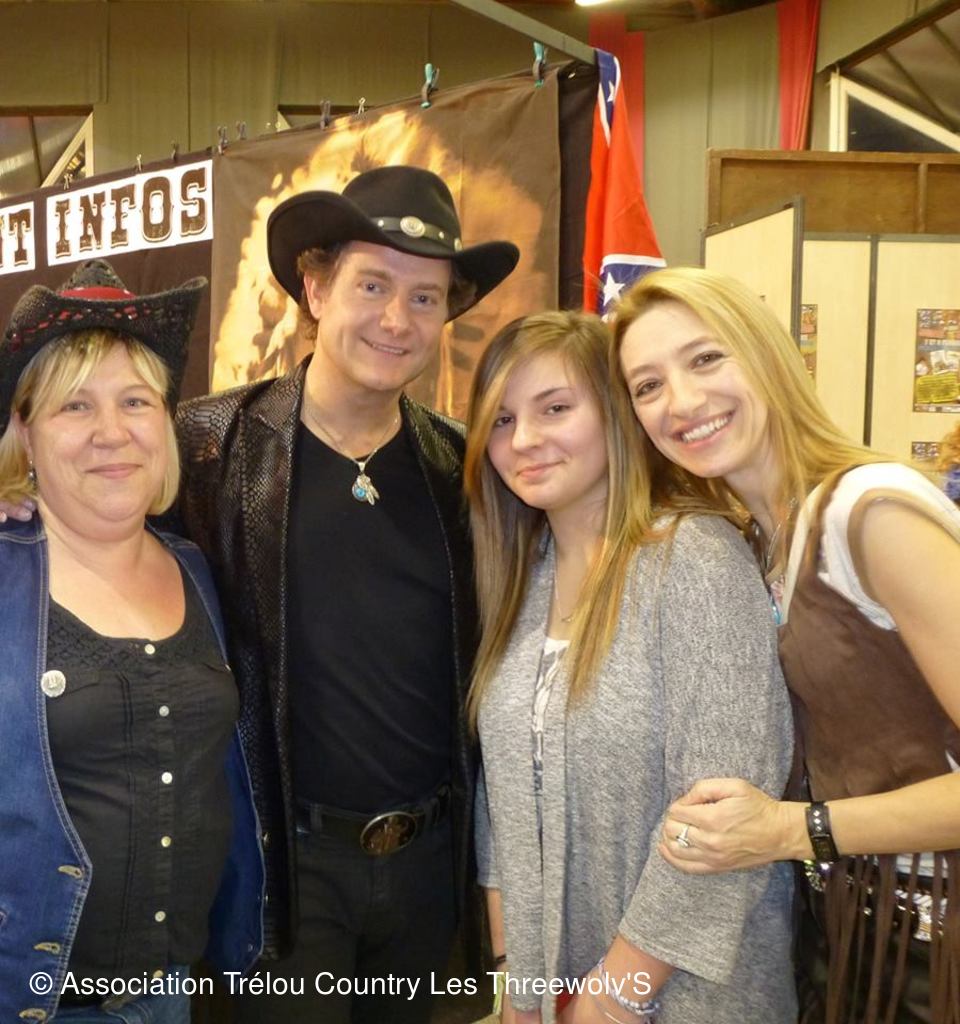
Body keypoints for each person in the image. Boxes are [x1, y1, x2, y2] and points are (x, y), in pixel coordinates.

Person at [173, 166, 519, 1023]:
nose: (397, 319)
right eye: (373, 285)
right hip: (282, 875)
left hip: (428, 871)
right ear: (317, 288)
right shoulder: (210, 448)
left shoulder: (466, 470)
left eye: (425, 297)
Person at [613, 266, 960, 1024]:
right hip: (845, 933)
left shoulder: (869, 511)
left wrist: (791, 829)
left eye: (707, 358)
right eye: (648, 385)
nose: (683, 401)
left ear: (768, 354)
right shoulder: (760, 536)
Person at [463, 310, 796, 1024]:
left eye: (556, 408)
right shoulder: (525, 576)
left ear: (616, 415)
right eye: (502, 420)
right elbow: (505, 805)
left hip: (688, 1000)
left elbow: (719, 817)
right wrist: (514, 981)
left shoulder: (693, 559)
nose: (524, 440)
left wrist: (611, 1000)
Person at [0, 260, 263, 1023]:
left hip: (168, 991)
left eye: (135, 401)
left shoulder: (195, 567)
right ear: (26, 434)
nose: (111, 432)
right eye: (74, 405)